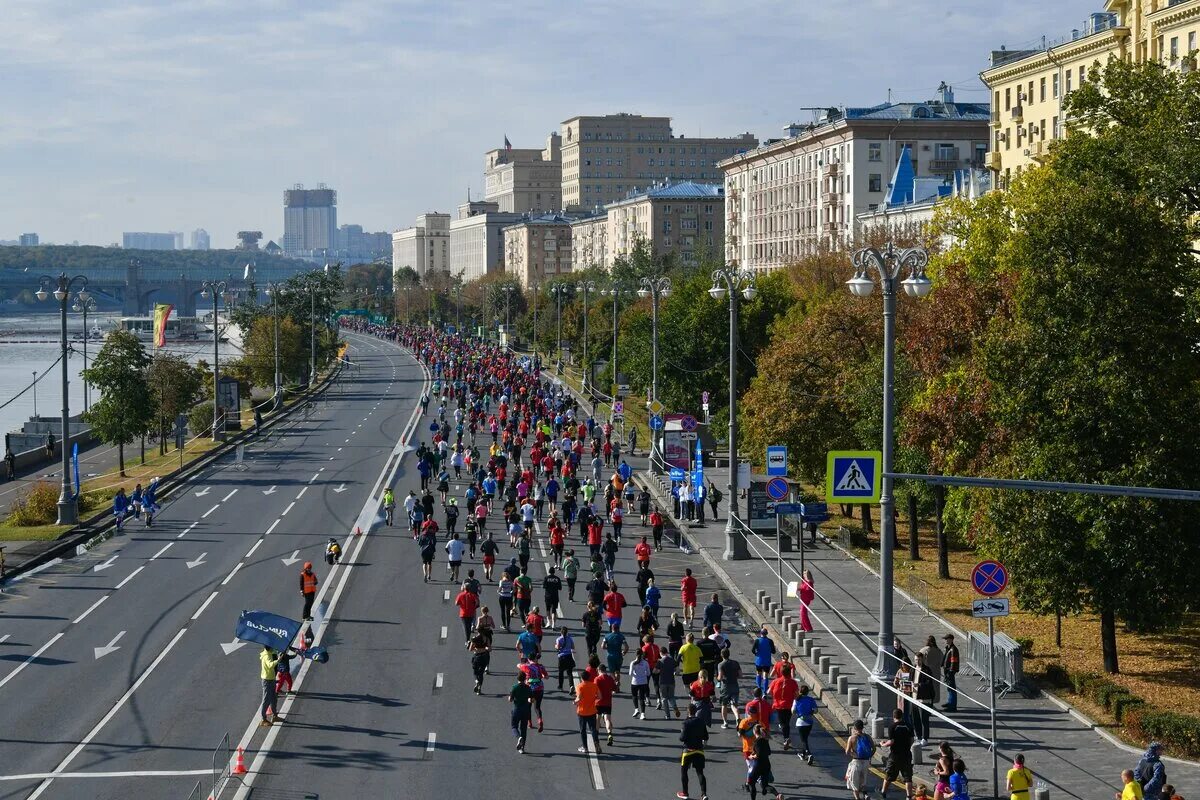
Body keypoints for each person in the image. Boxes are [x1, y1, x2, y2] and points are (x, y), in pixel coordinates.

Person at [677, 703, 710, 800]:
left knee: (684, 772)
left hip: (688, 751)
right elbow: (706, 736)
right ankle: (704, 794)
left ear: (688, 711)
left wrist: (681, 732)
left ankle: (685, 793)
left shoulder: (685, 723)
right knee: (700, 773)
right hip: (699, 750)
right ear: (695, 711)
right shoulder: (701, 721)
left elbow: (682, 738)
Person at [881, 708, 915, 799]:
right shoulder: (909, 726)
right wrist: (907, 746)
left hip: (895, 755)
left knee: (889, 775)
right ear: (902, 716)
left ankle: (883, 792)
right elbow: (912, 740)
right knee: (908, 777)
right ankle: (908, 796)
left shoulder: (892, 726)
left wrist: (883, 745)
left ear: (893, 716)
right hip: (906, 754)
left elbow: (891, 742)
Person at [747, 724, 783, 800]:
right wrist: (756, 753)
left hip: (758, 765)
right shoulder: (765, 740)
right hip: (766, 764)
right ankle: (778, 795)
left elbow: (758, 754)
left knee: (751, 782)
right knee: (765, 785)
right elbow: (768, 752)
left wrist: (752, 756)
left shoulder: (757, 741)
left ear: (754, 732)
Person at [768, 663, 798, 749]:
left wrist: (774, 697)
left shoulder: (776, 681)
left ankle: (786, 738)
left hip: (778, 705)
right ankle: (786, 738)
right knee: (786, 722)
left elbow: (768, 691)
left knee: (782, 723)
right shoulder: (793, 682)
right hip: (789, 705)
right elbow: (796, 694)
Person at [845, 719, 875, 800]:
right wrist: (869, 756)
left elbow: (847, 751)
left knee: (854, 783)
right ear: (862, 727)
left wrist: (853, 754)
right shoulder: (868, 737)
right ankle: (865, 795)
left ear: (854, 728)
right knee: (863, 781)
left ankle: (858, 798)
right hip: (865, 762)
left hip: (856, 762)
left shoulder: (852, 738)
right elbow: (874, 748)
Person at [575, 669, 603, 754]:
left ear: (582, 678)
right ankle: (597, 744)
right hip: (592, 711)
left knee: (582, 730)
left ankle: (585, 747)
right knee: (593, 729)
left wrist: (574, 702)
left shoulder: (580, 686)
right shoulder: (594, 686)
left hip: (582, 711)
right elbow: (600, 696)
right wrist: (593, 699)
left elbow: (579, 698)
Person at [716, 647, 742, 729]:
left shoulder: (720, 665)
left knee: (724, 705)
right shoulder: (736, 663)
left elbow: (720, 677)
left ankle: (725, 722)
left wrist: (718, 678)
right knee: (734, 705)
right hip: (735, 685)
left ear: (721, 655)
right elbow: (740, 675)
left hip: (726, 687)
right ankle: (738, 718)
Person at [509, 671, 533, 754]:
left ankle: (519, 737)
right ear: (525, 678)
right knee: (524, 729)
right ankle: (522, 748)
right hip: (525, 710)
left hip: (517, 709)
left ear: (517, 678)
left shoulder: (514, 687)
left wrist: (510, 698)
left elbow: (511, 699)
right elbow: (531, 699)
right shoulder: (528, 687)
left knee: (514, 726)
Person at [794, 683, 818, 763]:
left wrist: (798, 712)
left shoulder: (797, 700)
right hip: (809, 722)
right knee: (805, 739)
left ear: (800, 691)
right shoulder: (811, 699)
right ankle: (803, 754)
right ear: (807, 692)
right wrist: (810, 712)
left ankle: (809, 754)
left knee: (803, 740)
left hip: (800, 722)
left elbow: (793, 711)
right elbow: (816, 710)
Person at [595, 663, 617, 745]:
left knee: (597, 719)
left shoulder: (597, 679)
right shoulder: (610, 678)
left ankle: (596, 735)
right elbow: (615, 688)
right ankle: (610, 734)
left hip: (599, 702)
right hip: (608, 702)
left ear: (599, 670)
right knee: (607, 719)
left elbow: (595, 690)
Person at [259, 646, 280, 726]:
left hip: (271, 678)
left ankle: (275, 715)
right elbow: (270, 665)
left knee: (274, 698)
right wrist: (278, 660)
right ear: (270, 648)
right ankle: (263, 719)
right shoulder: (267, 656)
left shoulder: (269, 652)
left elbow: (274, 651)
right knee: (266, 700)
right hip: (267, 680)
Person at [628, 648, 652, 719]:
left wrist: (636, 675)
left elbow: (630, 673)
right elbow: (648, 673)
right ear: (642, 654)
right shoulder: (645, 663)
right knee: (642, 698)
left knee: (634, 696)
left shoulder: (633, 663)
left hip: (635, 682)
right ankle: (643, 714)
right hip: (643, 682)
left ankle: (636, 709)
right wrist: (643, 675)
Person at [751, 627, 776, 693]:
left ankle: (759, 687)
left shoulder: (757, 640)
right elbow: (773, 651)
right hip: (767, 661)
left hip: (759, 661)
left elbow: (753, 650)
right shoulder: (770, 641)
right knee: (765, 676)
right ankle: (764, 691)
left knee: (758, 673)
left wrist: (756, 654)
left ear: (760, 633)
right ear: (767, 634)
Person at [603, 624, 628, 688]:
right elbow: (626, 647)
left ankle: (615, 682)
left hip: (610, 656)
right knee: (618, 671)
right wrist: (624, 652)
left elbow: (602, 646)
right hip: (619, 656)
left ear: (612, 628)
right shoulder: (621, 636)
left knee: (612, 672)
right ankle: (617, 685)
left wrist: (608, 648)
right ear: (618, 628)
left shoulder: (607, 636)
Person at [659, 648, 681, 719]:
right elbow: (678, 671)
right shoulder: (672, 660)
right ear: (667, 652)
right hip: (671, 681)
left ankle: (667, 715)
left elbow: (654, 671)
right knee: (671, 697)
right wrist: (674, 673)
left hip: (663, 682)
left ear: (661, 653)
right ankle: (675, 708)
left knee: (664, 698)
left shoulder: (660, 661)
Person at [941, 633, 960, 712]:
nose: (945, 640)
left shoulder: (953, 649)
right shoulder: (948, 648)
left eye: (947, 639)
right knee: (949, 687)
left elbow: (953, 661)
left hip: (950, 671)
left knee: (952, 688)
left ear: (951, 639)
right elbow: (945, 657)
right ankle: (950, 702)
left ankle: (952, 706)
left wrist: (951, 671)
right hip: (947, 670)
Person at [469, 629, 491, 694]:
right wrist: (485, 648)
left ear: (478, 632)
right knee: (481, 673)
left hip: (476, 656)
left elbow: (470, 649)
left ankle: (476, 681)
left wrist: (475, 648)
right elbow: (490, 649)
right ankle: (479, 689)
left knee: (475, 672)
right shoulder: (487, 639)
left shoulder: (474, 639)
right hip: (484, 656)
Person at [556, 626, 576, 691]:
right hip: (569, 656)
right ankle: (571, 685)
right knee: (569, 672)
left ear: (560, 632)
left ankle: (560, 686)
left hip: (562, 657)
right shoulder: (570, 638)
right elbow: (573, 647)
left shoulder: (559, 639)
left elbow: (558, 647)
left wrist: (555, 646)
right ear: (567, 632)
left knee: (561, 672)